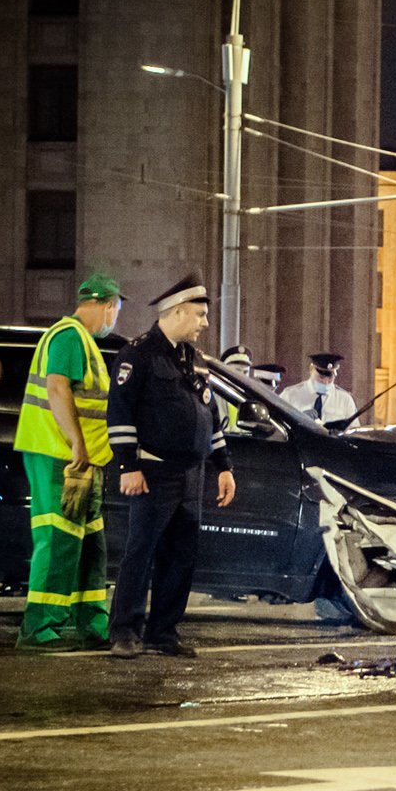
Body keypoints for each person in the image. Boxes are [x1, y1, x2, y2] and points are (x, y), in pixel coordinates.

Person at [106, 274, 236, 659]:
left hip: (191, 474)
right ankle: (125, 631)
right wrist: (128, 465)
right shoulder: (138, 355)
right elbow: (120, 413)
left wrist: (223, 465)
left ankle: (164, 632)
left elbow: (210, 417)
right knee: (141, 551)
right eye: (199, 315)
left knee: (181, 555)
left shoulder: (193, 359)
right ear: (177, 311)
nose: (205, 323)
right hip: (153, 471)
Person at [13, 272, 124, 651]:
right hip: (60, 456)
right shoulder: (69, 337)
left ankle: (91, 620)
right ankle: (39, 625)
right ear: (108, 306)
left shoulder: (82, 341)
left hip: (82, 461)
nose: (115, 318)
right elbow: (57, 387)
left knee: (89, 541)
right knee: (57, 538)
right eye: (117, 310)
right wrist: (77, 444)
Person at [281, 353, 356, 425]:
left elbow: (354, 431)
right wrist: (298, 419)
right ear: (311, 370)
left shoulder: (345, 400)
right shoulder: (290, 395)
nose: (325, 382)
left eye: (330, 378)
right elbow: (278, 426)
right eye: (321, 377)